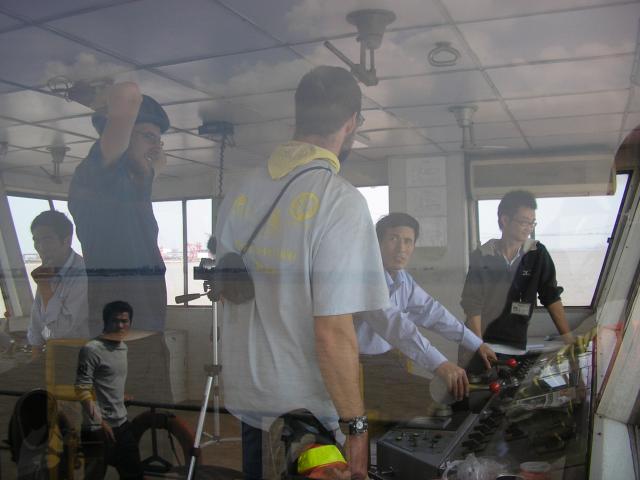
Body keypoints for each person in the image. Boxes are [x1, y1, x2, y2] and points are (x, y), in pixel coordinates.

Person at [215, 66, 388, 480]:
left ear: (296, 119)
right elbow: (333, 331)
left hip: (251, 400)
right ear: (351, 124)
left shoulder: (239, 191)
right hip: (305, 415)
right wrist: (357, 428)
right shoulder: (338, 200)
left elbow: (231, 290)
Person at [356, 213, 496, 419]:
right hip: (359, 367)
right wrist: (441, 364)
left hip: (387, 361)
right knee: (440, 404)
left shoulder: (403, 279)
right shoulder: (365, 280)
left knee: (453, 395)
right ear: (377, 242)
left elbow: (434, 313)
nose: (401, 249)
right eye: (393, 239)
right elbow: (397, 327)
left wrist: (476, 344)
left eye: (408, 241)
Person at [68, 82, 169, 335]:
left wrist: (153, 167)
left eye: (159, 141)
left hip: (146, 327)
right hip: (117, 331)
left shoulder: (135, 186)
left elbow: (154, 168)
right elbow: (128, 94)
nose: (156, 147)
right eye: (148, 136)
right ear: (124, 137)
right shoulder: (100, 176)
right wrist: (98, 99)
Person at [460, 190, 573, 368]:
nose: (529, 227)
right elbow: (472, 305)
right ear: (505, 220)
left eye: (532, 222)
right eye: (523, 222)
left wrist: (569, 340)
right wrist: (478, 346)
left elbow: (551, 296)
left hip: (516, 347)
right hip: (482, 345)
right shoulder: (482, 256)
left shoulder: (537, 254)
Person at [75, 300, 143, 480]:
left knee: (133, 474)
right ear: (106, 322)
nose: (120, 325)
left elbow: (107, 380)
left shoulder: (123, 347)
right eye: (115, 321)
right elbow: (82, 389)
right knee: (94, 476)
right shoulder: (91, 349)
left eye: (124, 321)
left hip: (121, 424)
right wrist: (100, 422)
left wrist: (119, 395)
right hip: (97, 428)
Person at [27, 210, 88, 355]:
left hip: (80, 355)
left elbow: (59, 333)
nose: (41, 247)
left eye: (47, 240)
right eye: (36, 240)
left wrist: (45, 287)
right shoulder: (48, 270)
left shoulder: (82, 274)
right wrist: (35, 352)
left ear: (66, 240)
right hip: (56, 352)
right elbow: (37, 320)